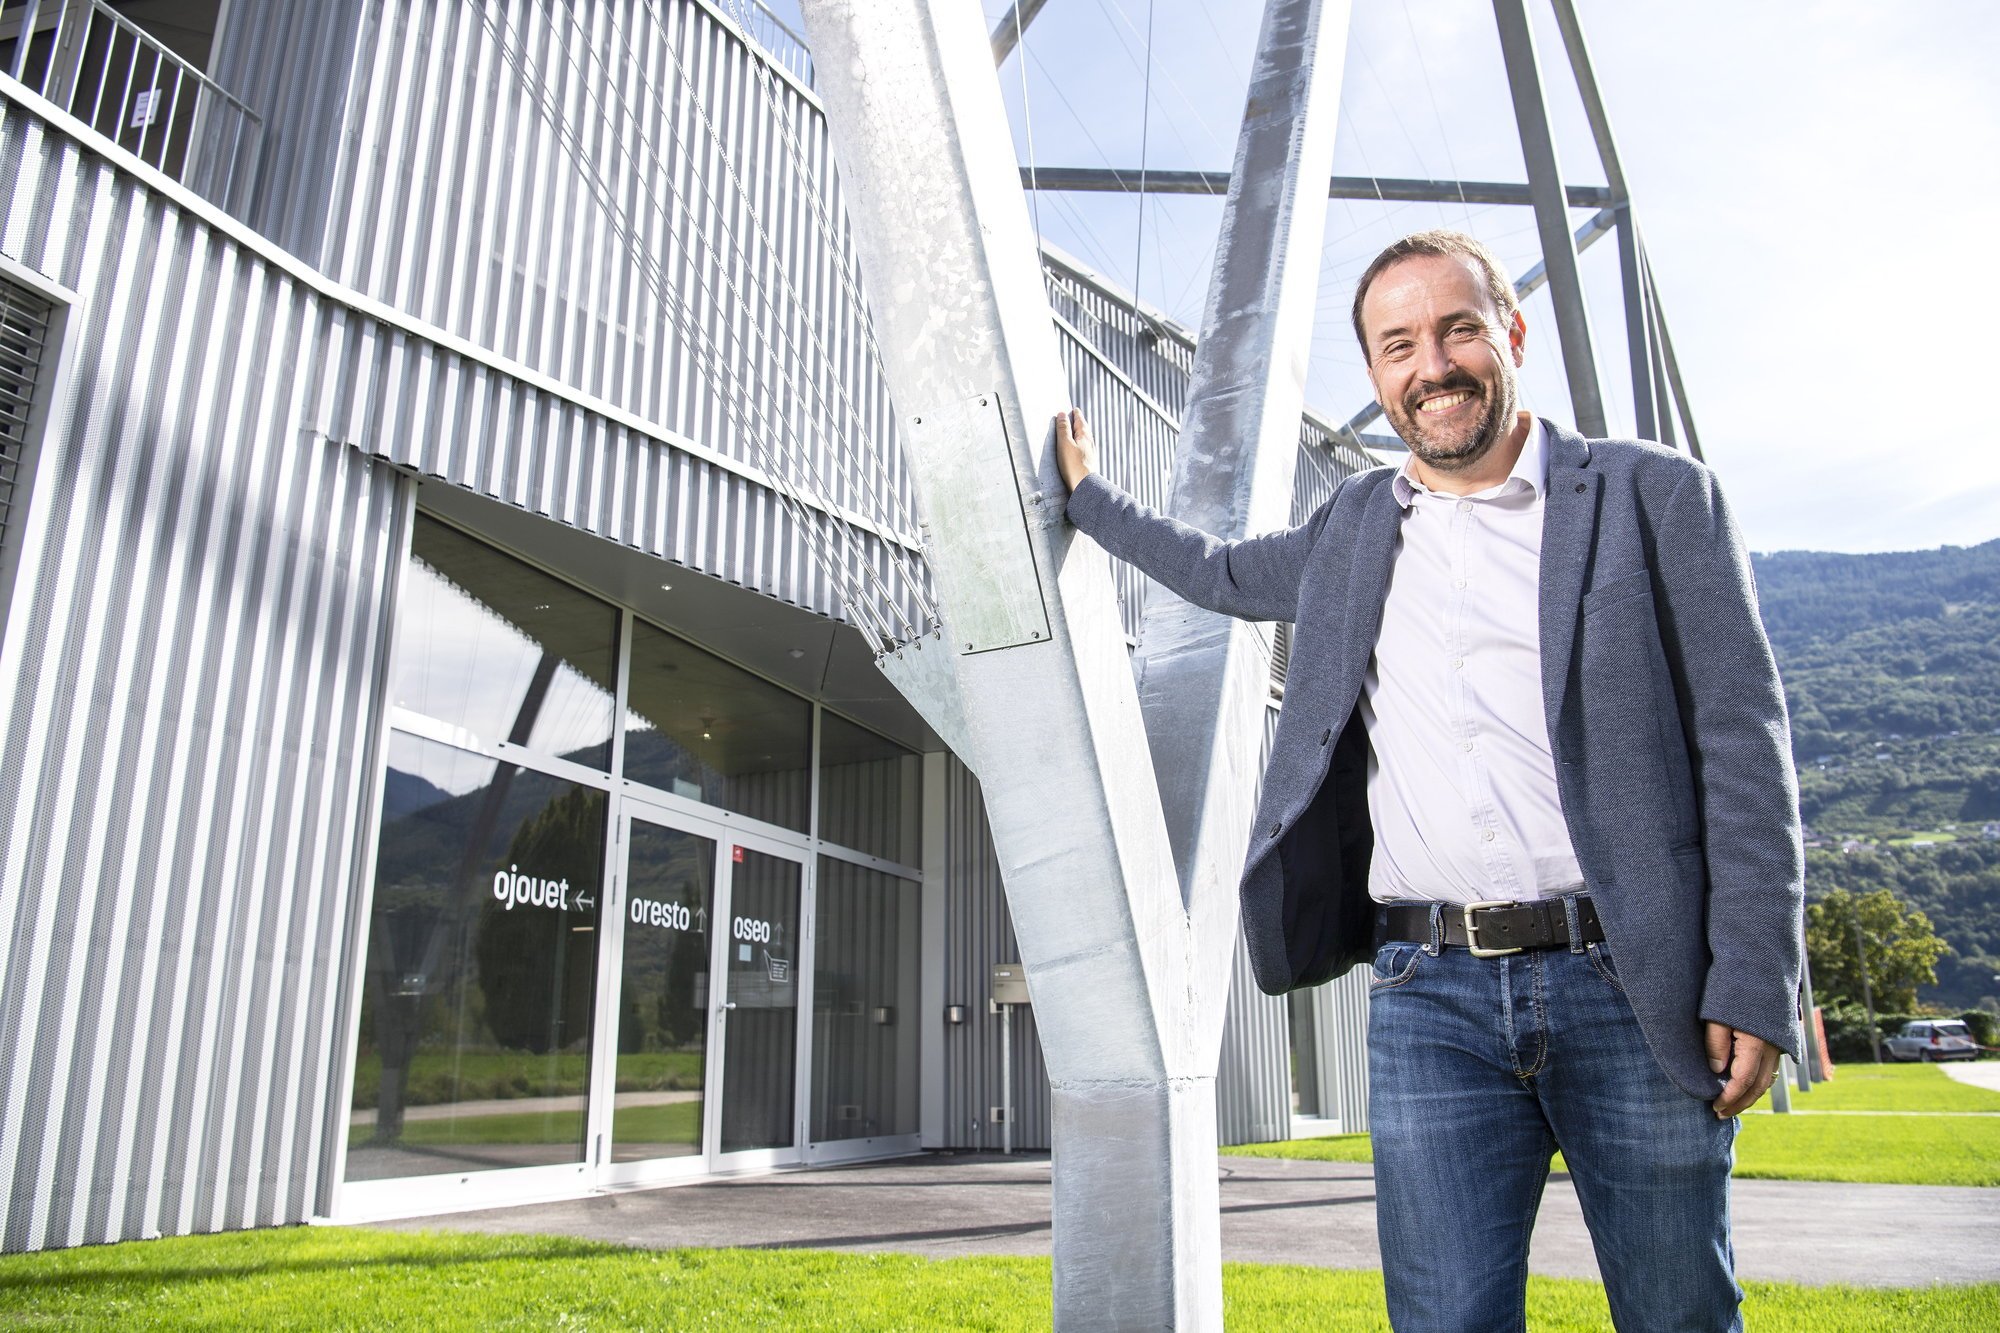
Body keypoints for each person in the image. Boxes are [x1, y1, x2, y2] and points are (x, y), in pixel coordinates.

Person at [1054, 229, 1803, 1332]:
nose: (1430, 365)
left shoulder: (1654, 498)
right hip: (1427, 995)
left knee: (1677, 1312)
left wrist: (1751, 978)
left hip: (1627, 983)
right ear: (1373, 375)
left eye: (1455, 328)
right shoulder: (1354, 527)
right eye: (1395, 344)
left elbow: (1742, 747)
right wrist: (1084, 498)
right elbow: (1214, 573)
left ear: (1509, 331)